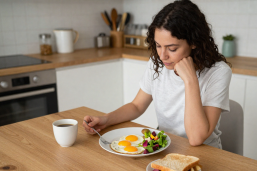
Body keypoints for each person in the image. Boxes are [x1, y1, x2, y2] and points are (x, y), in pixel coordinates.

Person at [83, 0, 232, 149]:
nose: (162, 56)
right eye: (158, 45)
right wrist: (106, 119)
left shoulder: (218, 72)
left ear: (194, 42)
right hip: (165, 146)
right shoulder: (158, 63)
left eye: (172, 48)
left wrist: (190, 80)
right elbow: (136, 106)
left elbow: (196, 138)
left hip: (206, 153)